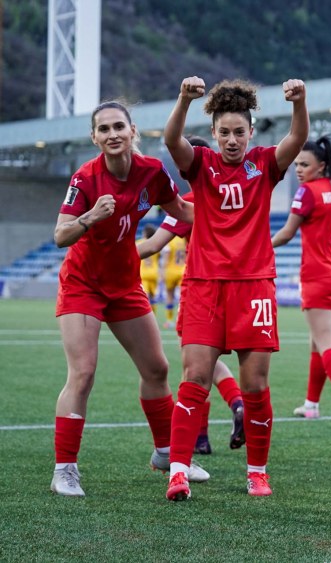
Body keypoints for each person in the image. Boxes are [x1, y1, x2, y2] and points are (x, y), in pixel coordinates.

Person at [162, 75, 308, 501]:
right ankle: (178, 472)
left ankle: (257, 473)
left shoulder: (265, 163)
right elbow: (172, 141)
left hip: (254, 286)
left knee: (256, 385)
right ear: (213, 133)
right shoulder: (200, 165)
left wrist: (299, 102)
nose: (231, 140)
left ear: (251, 131)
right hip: (204, 284)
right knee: (195, 378)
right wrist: (183, 100)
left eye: (239, 132)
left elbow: (297, 137)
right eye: (224, 132)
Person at [51, 100, 203, 497]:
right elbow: (61, 235)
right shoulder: (85, 178)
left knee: (157, 368)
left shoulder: (152, 171)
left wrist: (231, 214)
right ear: (94, 137)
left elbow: (181, 211)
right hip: (83, 284)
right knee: (83, 373)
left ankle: (166, 453)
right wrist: (90, 217)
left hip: (125, 284)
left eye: (119, 126)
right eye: (104, 129)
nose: (113, 134)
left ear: (132, 131)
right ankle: (65, 469)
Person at [137, 135, 246, 456]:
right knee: (210, 363)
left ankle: (200, 437)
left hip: (201, 287)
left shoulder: (187, 200)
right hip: (240, 286)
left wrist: (110, 254)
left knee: (195, 367)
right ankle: (237, 402)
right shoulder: (236, 193)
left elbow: (153, 245)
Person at [271, 136, 331, 427]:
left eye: (304, 165)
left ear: (321, 166)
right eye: (297, 165)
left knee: (326, 343)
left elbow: (287, 232)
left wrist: (259, 246)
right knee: (318, 342)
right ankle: (311, 404)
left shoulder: (307, 192)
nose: (298, 170)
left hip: (318, 276)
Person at [162, 225, 187, 329]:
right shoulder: (184, 239)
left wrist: (162, 272)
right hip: (182, 270)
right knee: (183, 297)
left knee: (169, 295)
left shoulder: (169, 240)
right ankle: (181, 319)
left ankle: (169, 320)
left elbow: (165, 258)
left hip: (170, 271)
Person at [138, 224, 160, 312]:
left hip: (143, 273)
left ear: (145, 233)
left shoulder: (139, 242)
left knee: (144, 297)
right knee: (153, 297)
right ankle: (154, 315)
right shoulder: (156, 244)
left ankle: (145, 314)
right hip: (154, 273)